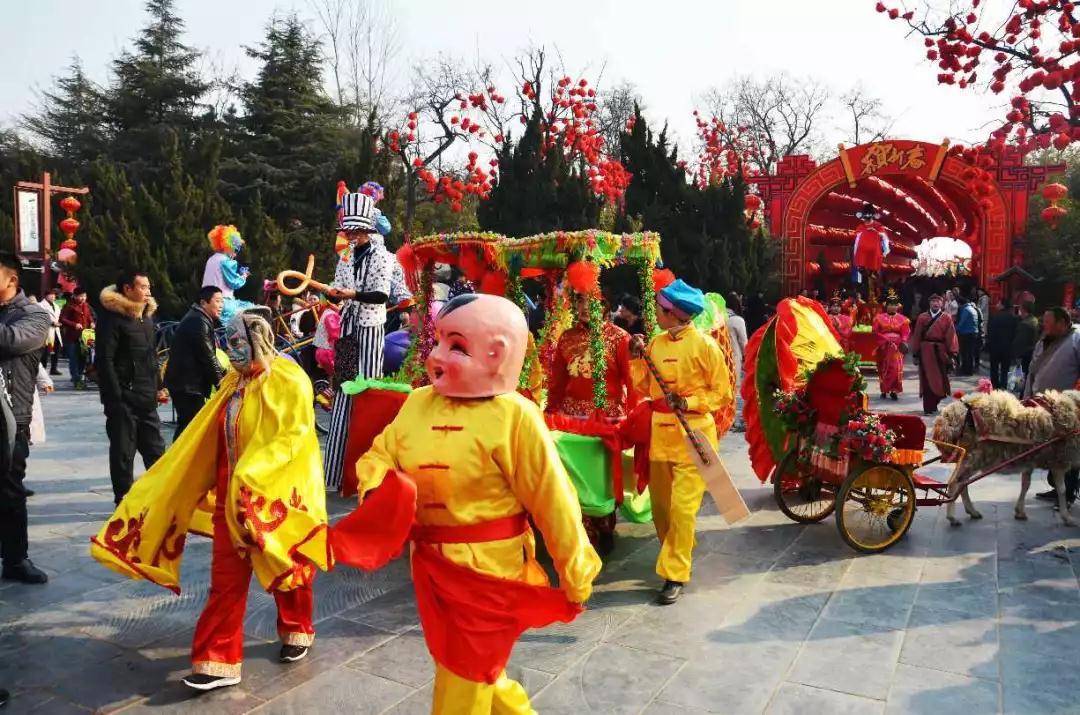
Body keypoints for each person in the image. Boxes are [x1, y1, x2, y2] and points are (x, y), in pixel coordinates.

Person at [335, 293, 600, 712]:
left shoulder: (515, 416)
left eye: (456, 346)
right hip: (429, 565)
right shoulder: (418, 402)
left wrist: (576, 570)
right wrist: (382, 491)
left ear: (497, 354)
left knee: (464, 675)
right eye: (438, 340)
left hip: (488, 570)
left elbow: (554, 499)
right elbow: (380, 455)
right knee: (473, 669)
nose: (436, 356)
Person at [91, 308, 330, 691]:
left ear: (258, 340)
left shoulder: (289, 381)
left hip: (278, 499)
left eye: (236, 342)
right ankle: (218, 662)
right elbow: (205, 437)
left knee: (289, 571)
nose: (229, 350)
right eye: (226, 341)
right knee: (225, 583)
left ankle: (297, 629)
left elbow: (291, 439)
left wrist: (252, 477)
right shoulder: (233, 383)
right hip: (229, 502)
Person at [628, 278, 731, 605]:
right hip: (660, 435)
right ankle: (678, 548)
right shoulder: (655, 344)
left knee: (682, 509)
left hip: (694, 436)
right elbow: (643, 386)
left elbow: (723, 394)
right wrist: (635, 358)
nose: (655, 314)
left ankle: (675, 573)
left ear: (673, 313)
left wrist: (689, 402)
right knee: (661, 510)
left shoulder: (706, 346)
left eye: (659, 309)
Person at [323, 192, 393, 491]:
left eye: (355, 229)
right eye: (347, 229)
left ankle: (366, 475)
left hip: (370, 328)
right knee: (343, 390)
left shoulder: (382, 256)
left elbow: (381, 295)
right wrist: (332, 294)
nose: (350, 234)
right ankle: (335, 474)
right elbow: (339, 290)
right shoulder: (346, 257)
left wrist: (350, 294)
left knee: (366, 393)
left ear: (366, 228)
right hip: (348, 328)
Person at [0, 253, 52, 584]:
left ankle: (16, 559)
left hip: (10, 420)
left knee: (10, 491)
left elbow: (12, 341)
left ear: (12, 279)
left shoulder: (34, 315)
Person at [95, 271, 167, 505]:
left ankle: (161, 498)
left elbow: (151, 357)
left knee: (156, 451)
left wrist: (158, 386)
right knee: (123, 453)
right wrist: (116, 396)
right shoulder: (112, 318)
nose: (148, 291)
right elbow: (104, 360)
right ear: (127, 289)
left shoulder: (146, 317)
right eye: (143, 287)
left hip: (146, 398)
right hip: (123, 399)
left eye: (148, 287)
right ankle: (123, 501)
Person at [1022, 307, 1080, 506]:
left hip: (1067, 408)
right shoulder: (1043, 341)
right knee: (1052, 450)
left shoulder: (1076, 339)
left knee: (1068, 450)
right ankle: (1057, 488)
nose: (1044, 327)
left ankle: (1068, 493)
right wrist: (1027, 398)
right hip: (1042, 404)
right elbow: (1032, 371)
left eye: (1048, 323)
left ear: (1062, 323)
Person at [164, 286, 226, 439]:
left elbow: (209, 356)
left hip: (187, 384)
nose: (221, 306)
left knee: (188, 427)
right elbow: (208, 357)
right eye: (218, 301)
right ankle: (179, 454)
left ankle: (178, 454)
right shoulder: (197, 321)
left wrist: (225, 376)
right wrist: (222, 383)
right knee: (191, 428)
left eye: (222, 302)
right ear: (203, 303)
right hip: (187, 385)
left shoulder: (199, 318)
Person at [909, 293, 959, 415]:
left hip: (940, 351)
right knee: (927, 379)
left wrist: (952, 354)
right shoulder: (922, 317)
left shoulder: (947, 318)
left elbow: (951, 336)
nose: (935, 304)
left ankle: (935, 403)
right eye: (933, 301)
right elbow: (917, 335)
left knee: (940, 379)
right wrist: (915, 353)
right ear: (929, 303)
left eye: (938, 301)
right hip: (925, 351)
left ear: (942, 304)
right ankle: (928, 407)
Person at [202, 225, 253, 326]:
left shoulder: (211, 259)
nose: (235, 254)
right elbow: (234, 283)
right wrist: (244, 276)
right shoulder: (226, 261)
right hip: (223, 303)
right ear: (229, 246)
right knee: (252, 310)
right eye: (236, 250)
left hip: (206, 302)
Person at [872, 291, 910, 400]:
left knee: (895, 369)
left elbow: (905, 333)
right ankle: (884, 390)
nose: (892, 307)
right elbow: (875, 332)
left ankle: (894, 390)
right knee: (883, 368)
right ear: (886, 306)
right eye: (890, 305)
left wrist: (903, 342)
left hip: (897, 348)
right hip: (883, 347)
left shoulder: (903, 319)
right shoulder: (878, 318)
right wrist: (882, 342)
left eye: (894, 305)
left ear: (898, 306)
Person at [59, 287, 94, 388]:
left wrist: (92, 322)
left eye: (84, 296)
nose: (83, 298)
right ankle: (76, 378)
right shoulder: (69, 306)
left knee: (83, 357)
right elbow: (62, 319)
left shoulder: (86, 306)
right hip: (72, 336)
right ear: (74, 296)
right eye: (81, 296)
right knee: (74, 357)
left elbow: (89, 316)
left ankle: (80, 375)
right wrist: (74, 324)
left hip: (85, 336)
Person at [726, 294, 749, 431]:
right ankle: (731, 419)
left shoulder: (717, 318)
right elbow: (744, 342)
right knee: (733, 389)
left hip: (717, 357)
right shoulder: (737, 320)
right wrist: (748, 358)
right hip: (733, 358)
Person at [986, 297, 1018, 389]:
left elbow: (990, 332)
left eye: (998, 303)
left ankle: (995, 387)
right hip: (1007, 347)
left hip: (994, 347)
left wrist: (989, 345)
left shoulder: (994, 317)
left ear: (1003, 305)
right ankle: (1003, 386)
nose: (997, 305)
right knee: (1005, 369)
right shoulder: (1013, 318)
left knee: (994, 369)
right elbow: (1015, 333)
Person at [1013, 300, 1040, 377]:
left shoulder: (1025, 324)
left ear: (1023, 310)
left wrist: (1017, 356)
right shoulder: (1035, 320)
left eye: (1020, 308)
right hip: (1032, 353)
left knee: (1020, 377)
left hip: (1024, 356)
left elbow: (1020, 342)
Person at [955, 295, 981, 376]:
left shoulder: (965, 310)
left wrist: (955, 330)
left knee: (965, 353)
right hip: (973, 333)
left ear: (960, 304)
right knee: (970, 353)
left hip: (967, 334)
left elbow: (962, 322)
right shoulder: (972, 308)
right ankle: (969, 370)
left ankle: (967, 370)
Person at [39, 289, 62, 375]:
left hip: (56, 331)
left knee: (56, 350)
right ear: (46, 296)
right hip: (47, 331)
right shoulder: (41, 305)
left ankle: (53, 368)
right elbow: (40, 318)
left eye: (54, 295)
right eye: (50, 295)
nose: (53, 296)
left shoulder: (56, 306)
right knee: (45, 352)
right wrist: (51, 322)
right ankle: (43, 369)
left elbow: (58, 317)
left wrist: (59, 323)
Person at [29, 363, 53, 446]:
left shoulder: (29, 355)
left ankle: (28, 436)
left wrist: (46, 383)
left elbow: (37, 366)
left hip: (26, 388)